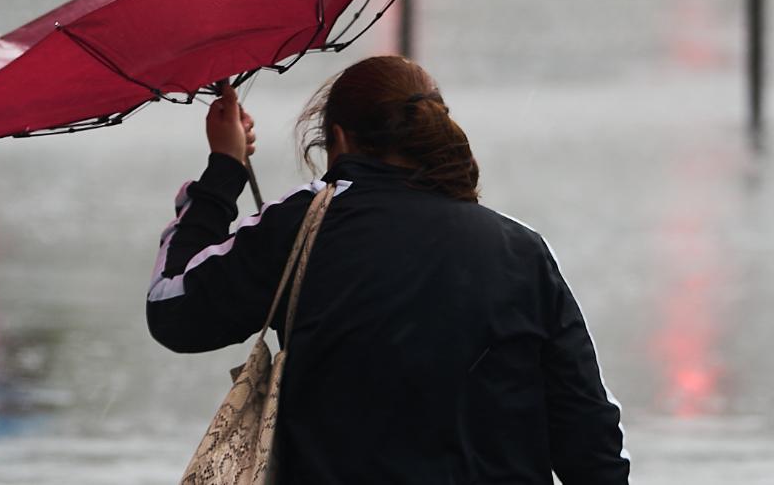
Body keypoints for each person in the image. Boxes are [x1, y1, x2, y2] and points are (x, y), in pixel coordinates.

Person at [147, 56, 629, 483]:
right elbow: (588, 432)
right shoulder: (520, 249)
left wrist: (224, 169)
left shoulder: (303, 224)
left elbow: (174, 309)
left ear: (337, 138)